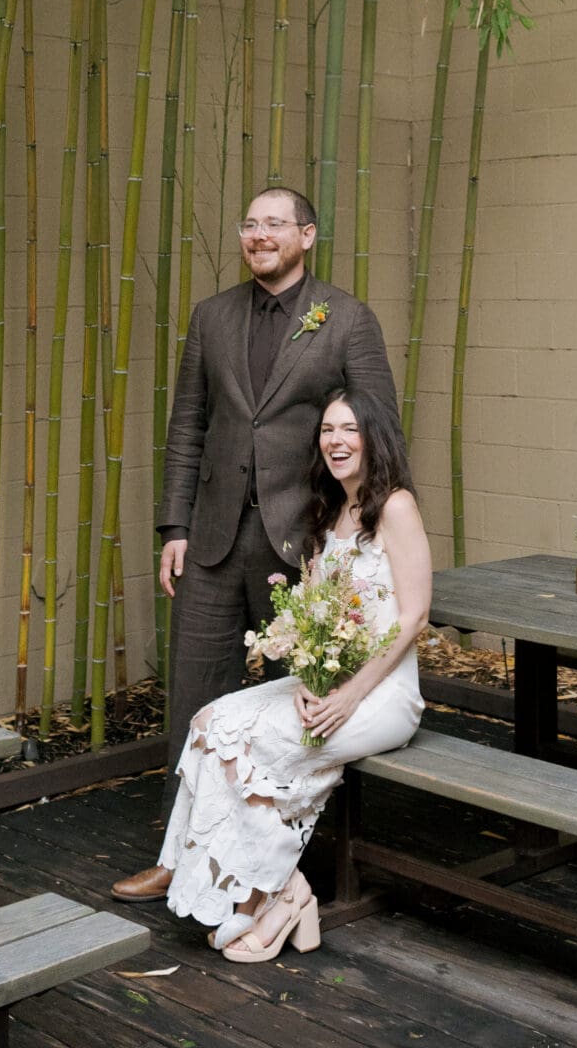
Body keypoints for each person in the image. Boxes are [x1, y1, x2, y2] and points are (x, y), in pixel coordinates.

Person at [110, 188, 398, 904]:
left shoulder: (347, 319)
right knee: (196, 699)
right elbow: (188, 428)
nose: (259, 235)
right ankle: (179, 857)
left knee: (297, 706)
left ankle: (279, 862)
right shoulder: (211, 316)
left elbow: (376, 430)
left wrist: (357, 532)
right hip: (211, 539)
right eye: (248, 224)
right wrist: (173, 528)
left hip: (301, 544)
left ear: (306, 234)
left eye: (274, 224)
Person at [159, 388, 429, 958]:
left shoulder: (397, 506)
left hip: (382, 695)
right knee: (211, 724)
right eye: (328, 430)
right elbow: (315, 620)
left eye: (349, 429)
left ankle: (262, 900)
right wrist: (308, 677)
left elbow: (414, 618)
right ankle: (289, 890)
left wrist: (350, 695)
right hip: (328, 685)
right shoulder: (329, 510)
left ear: (372, 436)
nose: (336, 441)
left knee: (257, 747)